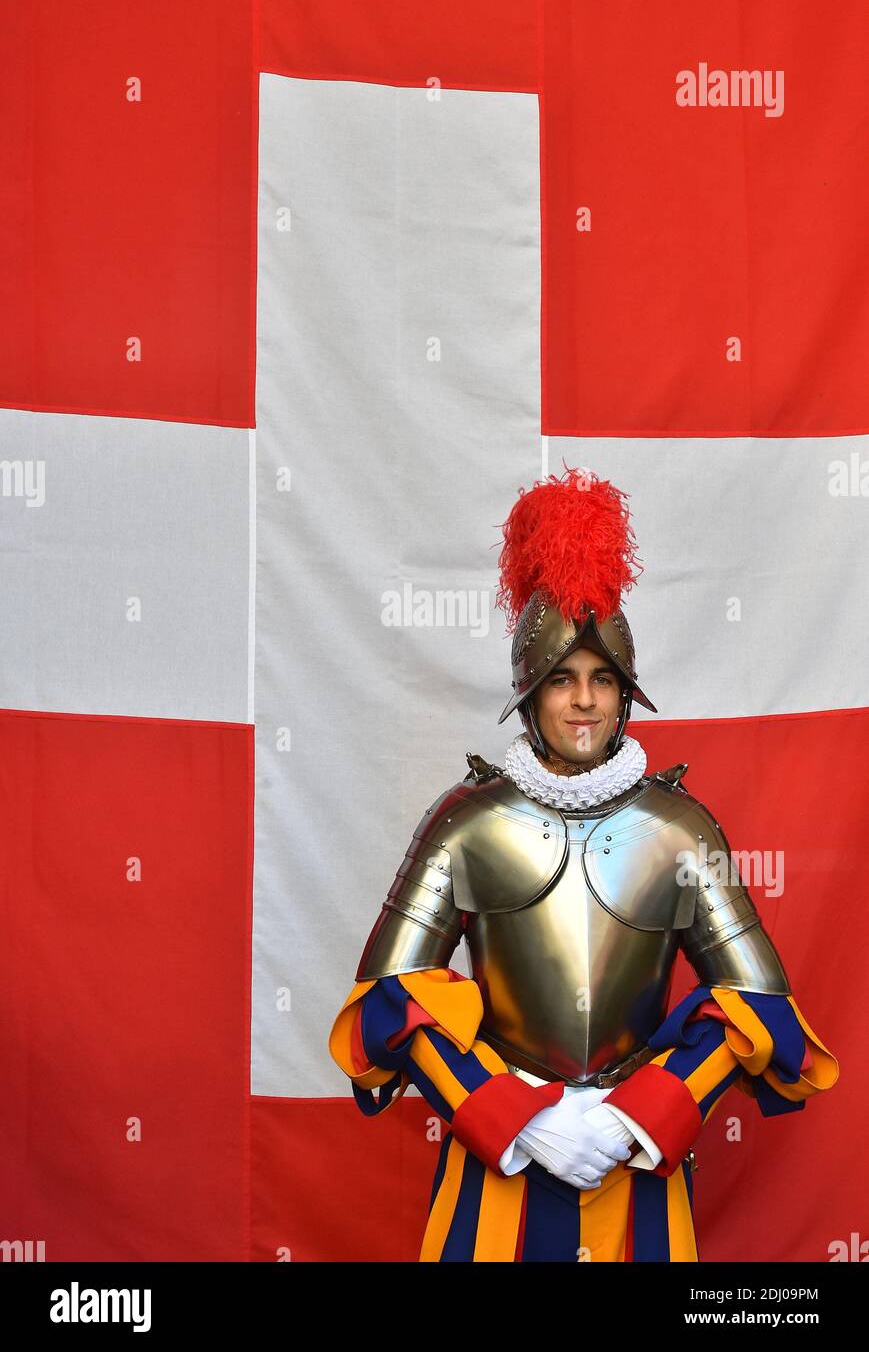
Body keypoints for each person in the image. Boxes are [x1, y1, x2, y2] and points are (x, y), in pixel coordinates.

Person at [328, 467, 839, 1262]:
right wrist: (511, 1114)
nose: (583, 701)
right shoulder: (467, 822)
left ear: (625, 694)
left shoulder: (677, 829)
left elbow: (759, 1012)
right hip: (498, 1158)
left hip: (636, 1158)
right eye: (561, 680)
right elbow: (389, 1008)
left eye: (602, 680)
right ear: (528, 695)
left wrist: (646, 1110)